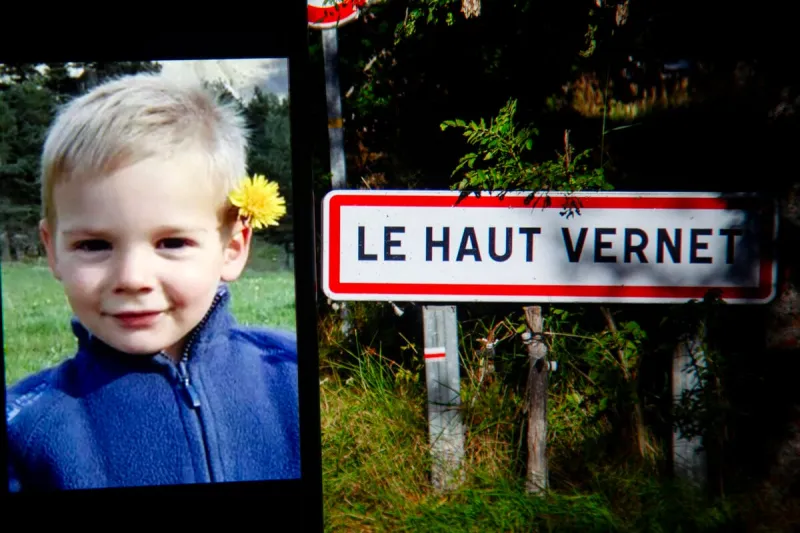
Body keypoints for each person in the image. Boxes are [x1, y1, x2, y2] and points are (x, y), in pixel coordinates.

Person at [5, 72, 300, 491]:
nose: (132, 278)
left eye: (172, 242)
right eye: (93, 245)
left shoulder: (291, 376)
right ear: (53, 251)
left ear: (233, 247)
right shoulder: (24, 427)